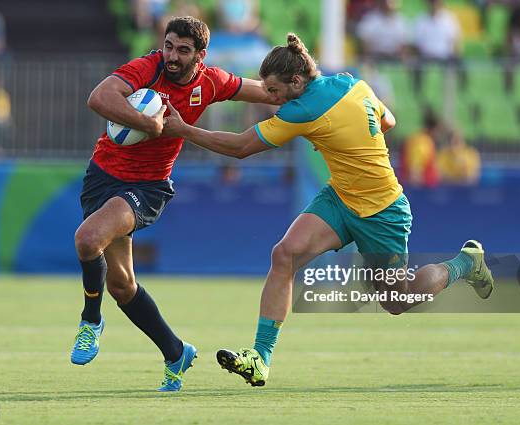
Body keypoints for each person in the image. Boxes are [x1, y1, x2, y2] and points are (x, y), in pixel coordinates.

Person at [162, 33, 494, 387]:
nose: (270, 100)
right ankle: (260, 357)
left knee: (398, 299)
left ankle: (465, 262)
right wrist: (346, 140)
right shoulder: (352, 83)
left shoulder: (302, 110)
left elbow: (242, 147)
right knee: (284, 255)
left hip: (382, 211)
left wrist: (184, 130)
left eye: (273, 91)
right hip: (340, 198)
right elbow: (389, 122)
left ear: (296, 81)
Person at [71, 16, 276, 392]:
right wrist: (146, 123)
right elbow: (99, 98)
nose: (172, 56)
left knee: (87, 240)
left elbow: (265, 91)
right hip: (102, 176)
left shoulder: (211, 82)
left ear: (201, 55)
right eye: (168, 46)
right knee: (121, 285)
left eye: (183, 50)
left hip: (147, 186)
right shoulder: (147, 67)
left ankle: (90, 321)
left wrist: (313, 92)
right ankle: (175, 352)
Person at [400, 108, 440, 187]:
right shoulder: (423, 142)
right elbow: (415, 171)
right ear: (434, 129)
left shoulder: (418, 139)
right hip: (423, 189)